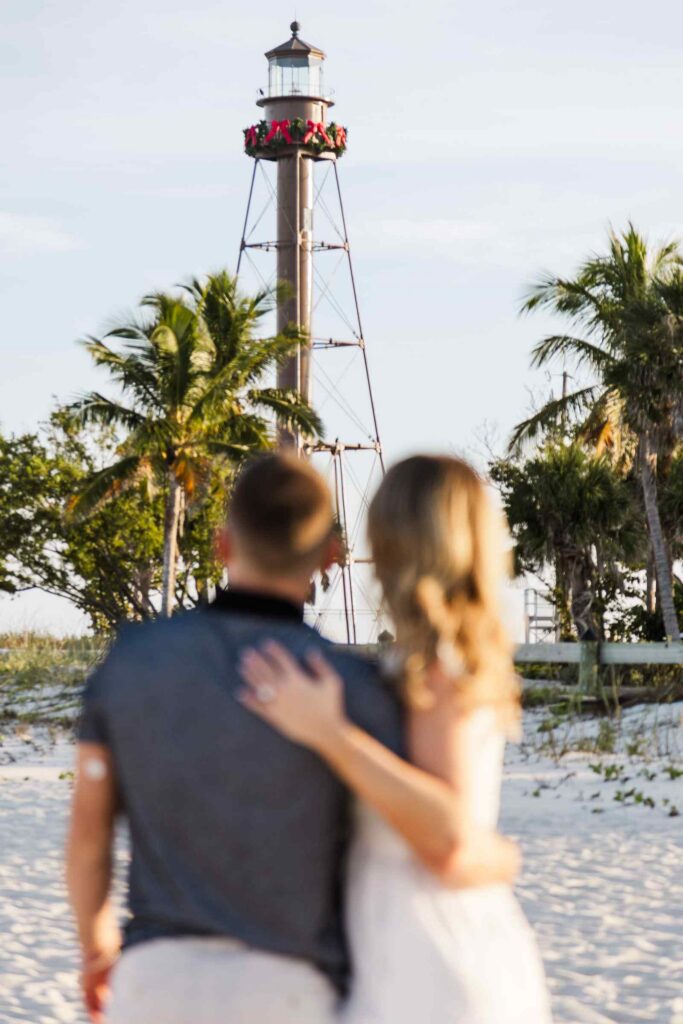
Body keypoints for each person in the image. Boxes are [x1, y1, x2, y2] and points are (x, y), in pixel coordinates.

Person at [66, 453, 518, 1024]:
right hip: (291, 989)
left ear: (222, 544)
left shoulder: (130, 663)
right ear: (330, 556)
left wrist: (97, 947)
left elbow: (88, 838)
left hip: (153, 981)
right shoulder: (355, 691)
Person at [239, 454, 553, 1024]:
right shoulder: (429, 661)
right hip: (415, 947)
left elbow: (448, 843)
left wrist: (331, 735)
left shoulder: (440, 668)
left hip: (432, 960)